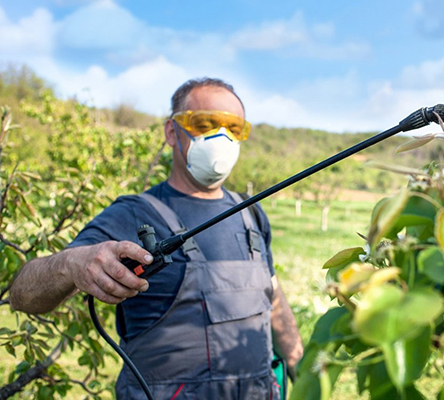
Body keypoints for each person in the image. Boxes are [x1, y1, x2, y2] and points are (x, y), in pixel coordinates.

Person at [9, 78, 303, 399]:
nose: (222, 137)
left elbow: (272, 297)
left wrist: (301, 367)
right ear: (171, 132)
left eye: (234, 128)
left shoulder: (250, 213)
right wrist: (71, 264)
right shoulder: (134, 214)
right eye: (204, 123)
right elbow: (22, 295)